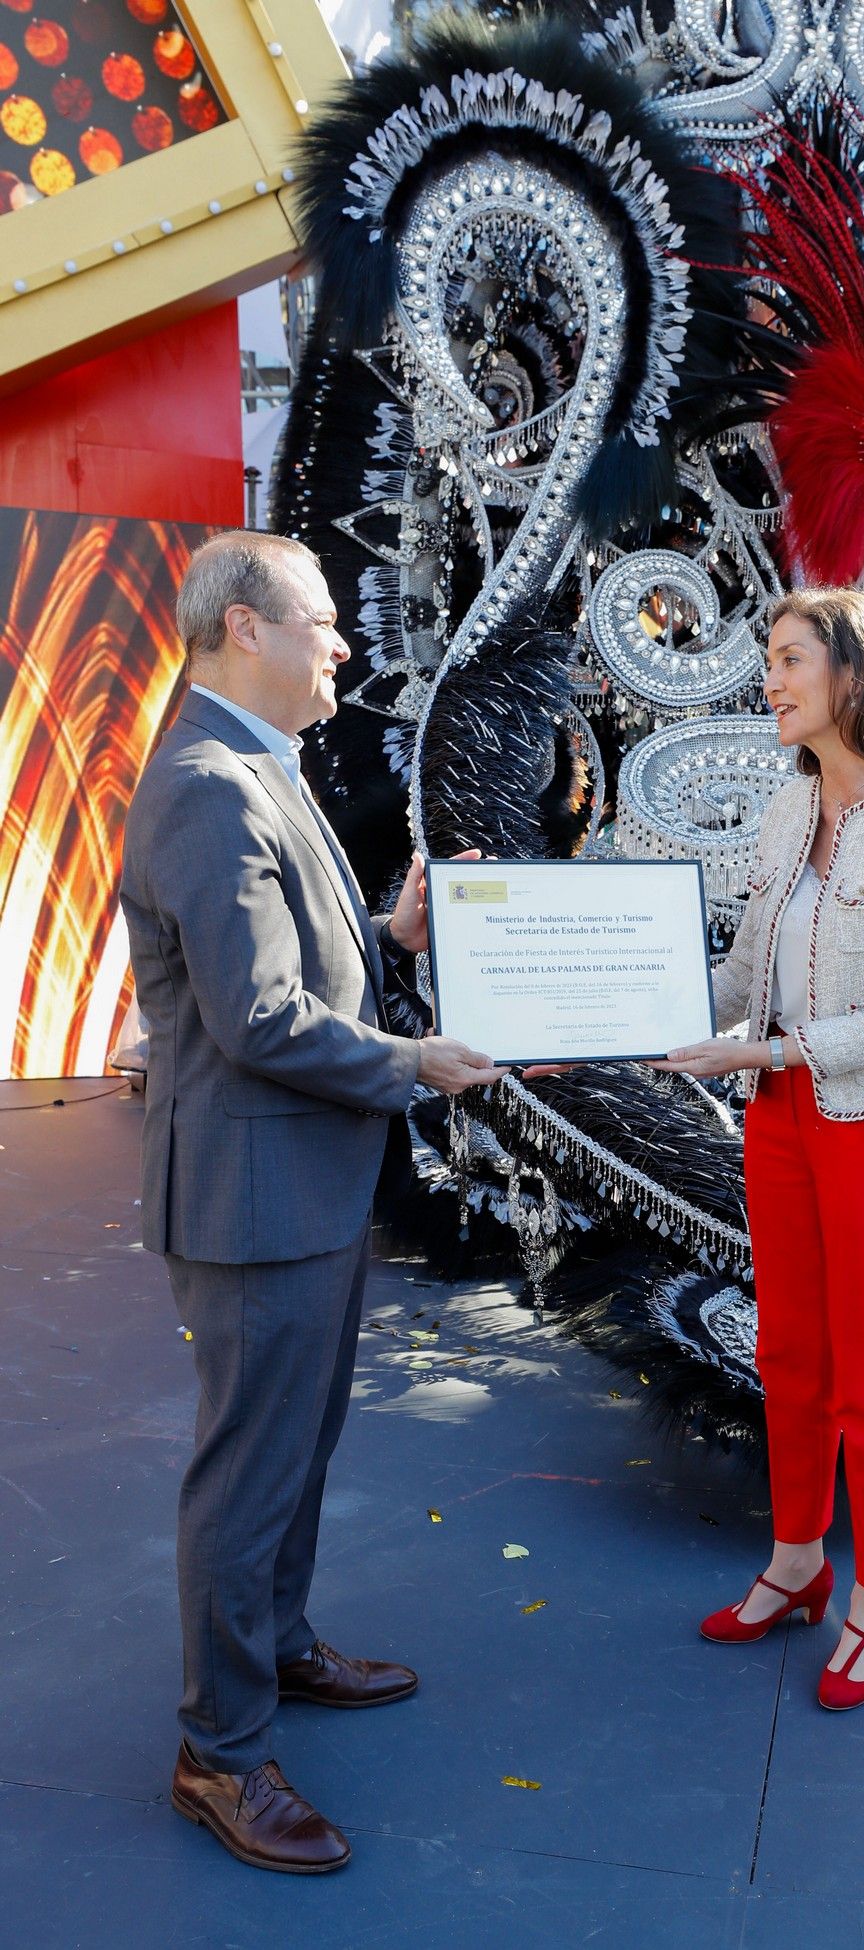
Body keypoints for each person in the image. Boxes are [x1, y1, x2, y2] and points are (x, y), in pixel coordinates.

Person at [120, 530, 503, 1871]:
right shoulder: (211, 786)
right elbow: (261, 1018)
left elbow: (288, 963)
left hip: (301, 1187)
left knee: (293, 1446)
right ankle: (218, 1753)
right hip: (254, 1193)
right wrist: (414, 1061)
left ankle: (271, 1648)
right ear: (243, 630)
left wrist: (387, 944)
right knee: (249, 1470)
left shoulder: (249, 768)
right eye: (320, 619)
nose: (340, 641)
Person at [655, 587, 864, 1710]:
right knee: (787, 1351)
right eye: (770, 661)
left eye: (790, 659)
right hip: (783, 1123)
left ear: (854, 673)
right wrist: (633, 1016)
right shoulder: (789, 809)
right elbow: (742, 972)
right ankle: (796, 1564)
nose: (771, 680)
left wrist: (761, 1055)